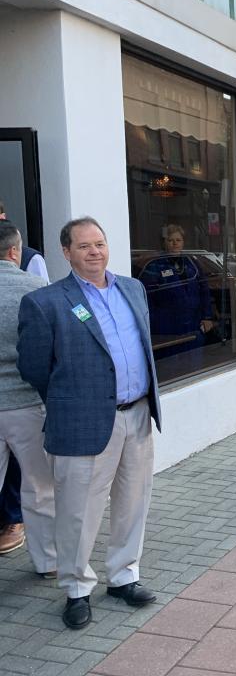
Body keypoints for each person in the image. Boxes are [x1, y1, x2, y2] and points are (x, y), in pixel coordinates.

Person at [17, 217, 162, 630]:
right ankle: (77, 588)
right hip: (82, 422)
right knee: (78, 512)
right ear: (66, 252)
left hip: (137, 415)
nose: (95, 252)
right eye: (84, 246)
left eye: (99, 243)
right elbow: (34, 367)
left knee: (134, 501)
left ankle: (123, 576)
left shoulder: (132, 288)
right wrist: (71, 400)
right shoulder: (46, 302)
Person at [0, 222, 56, 574]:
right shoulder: (37, 290)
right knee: (39, 487)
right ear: (14, 252)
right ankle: (49, 561)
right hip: (25, 403)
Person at [137, 223, 214, 359]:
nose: (175, 244)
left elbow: (204, 291)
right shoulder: (155, 265)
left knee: (194, 369)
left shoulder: (192, 263)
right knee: (173, 369)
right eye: (170, 240)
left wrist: (207, 317)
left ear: (183, 242)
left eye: (178, 240)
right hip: (167, 331)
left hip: (193, 327)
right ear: (164, 243)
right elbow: (145, 298)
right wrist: (154, 324)